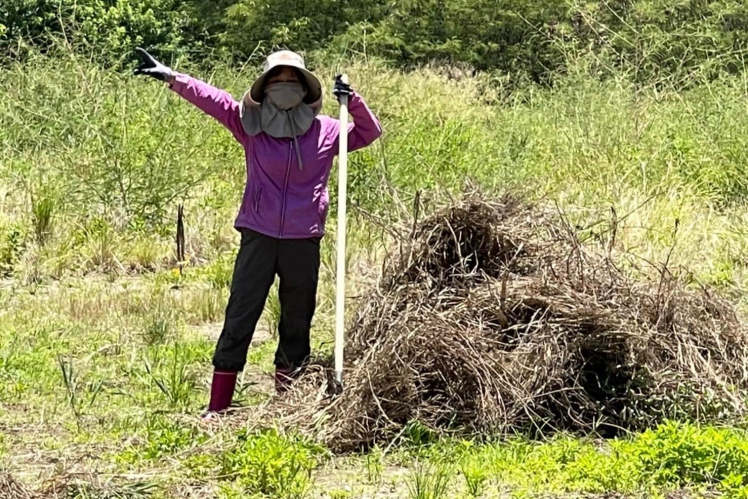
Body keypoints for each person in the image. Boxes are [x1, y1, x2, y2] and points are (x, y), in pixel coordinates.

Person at [133, 48, 382, 417]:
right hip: (259, 236)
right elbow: (213, 100)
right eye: (277, 79)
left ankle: (287, 405)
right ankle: (218, 408)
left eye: (292, 79)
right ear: (264, 88)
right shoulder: (248, 124)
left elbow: (368, 132)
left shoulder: (327, 130)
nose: (284, 85)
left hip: (303, 239)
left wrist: (353, 100)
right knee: (241, 315)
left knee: (297, 319)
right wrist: (172, 77)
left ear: (305, 87)